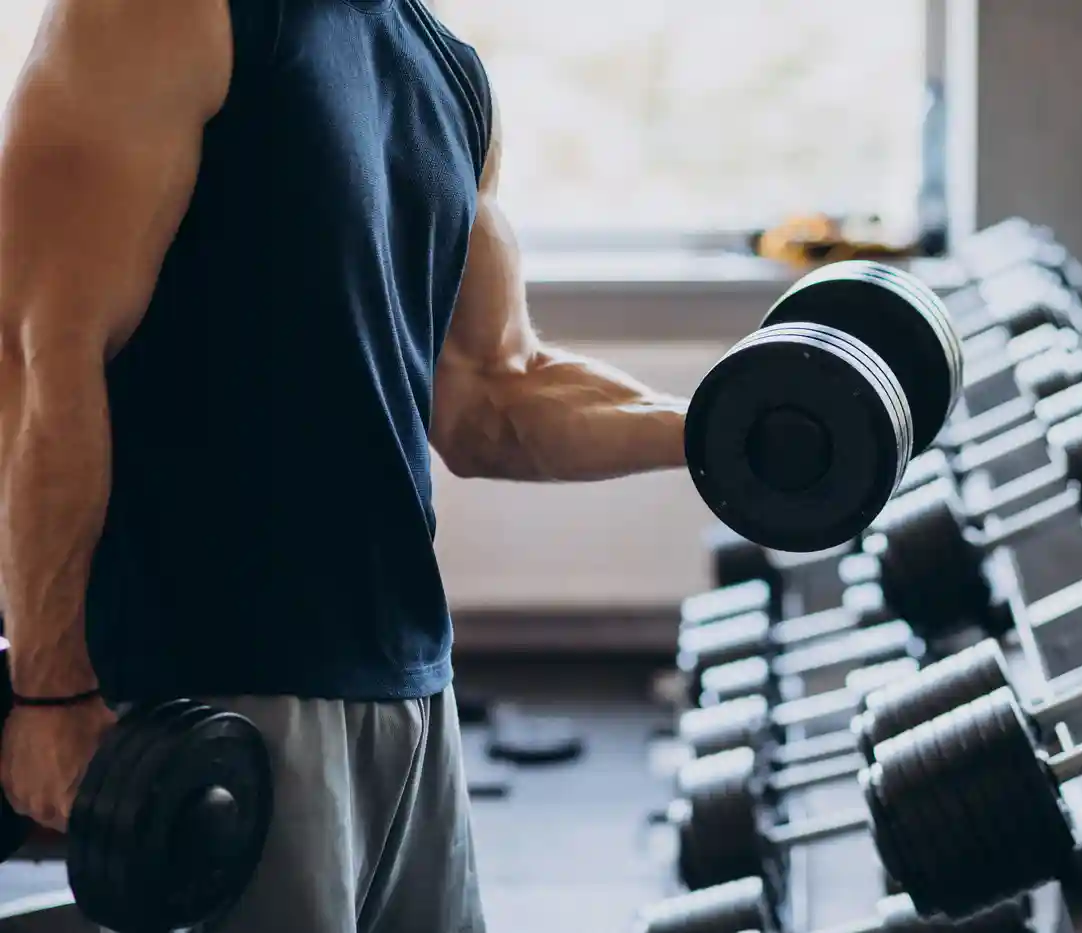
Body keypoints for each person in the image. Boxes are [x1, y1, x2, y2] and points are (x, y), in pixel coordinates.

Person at [0, 0, 689, 930]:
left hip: (407, 687)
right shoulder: (163, 13)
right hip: (204, 685)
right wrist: (52, 688)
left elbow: (493, 394)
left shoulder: (443, 69)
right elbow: (40, 355)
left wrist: (736, 429)